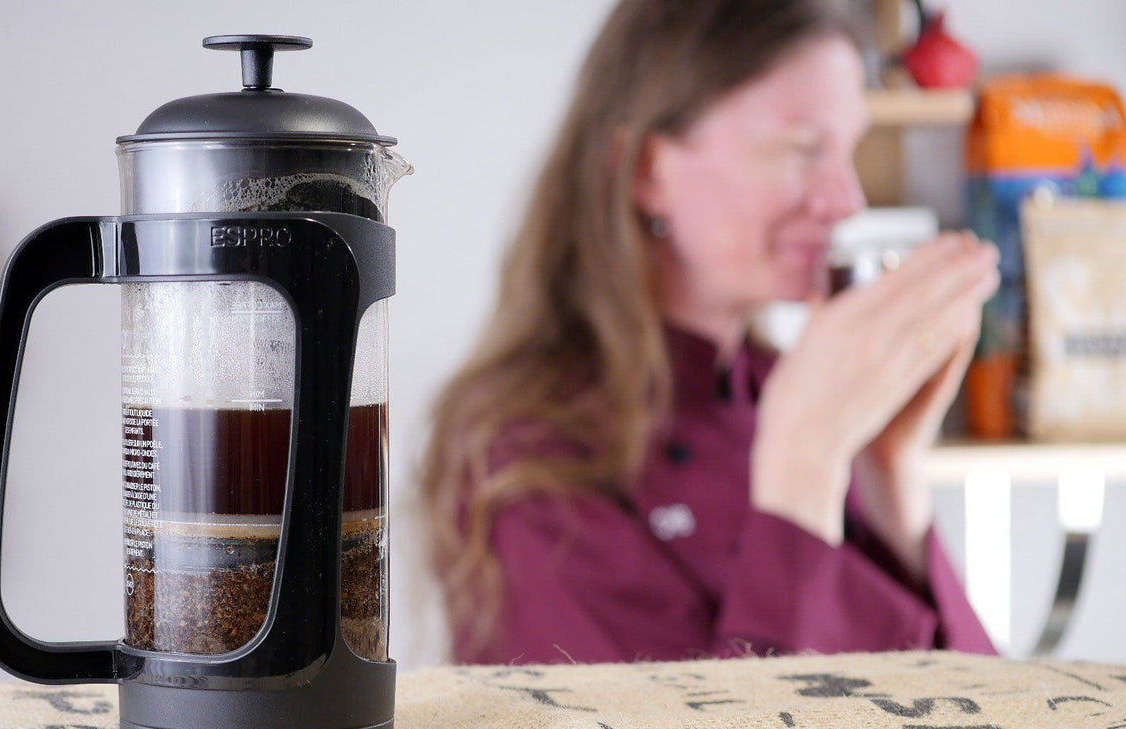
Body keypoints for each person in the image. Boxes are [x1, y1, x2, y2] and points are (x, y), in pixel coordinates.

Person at [419, 0, 1000, 665]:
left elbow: (983, 716)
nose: (847, 202)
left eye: (850, 150)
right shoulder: (524, 449)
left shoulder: (790, 390)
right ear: (648, 170)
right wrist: (802, 465)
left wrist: (890, 474)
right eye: (804, 150)